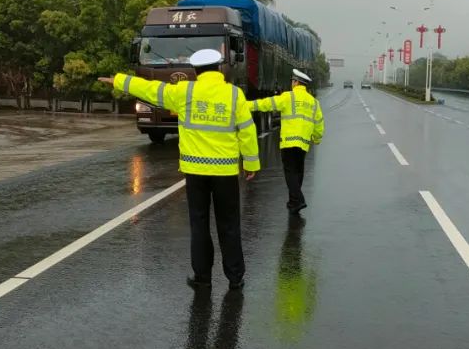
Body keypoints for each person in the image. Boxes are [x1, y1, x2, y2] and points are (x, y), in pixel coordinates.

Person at [101, 49, 260, 290]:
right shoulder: (234, 95)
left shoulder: (185, 92)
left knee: (199, 224)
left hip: (195, 172)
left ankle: (203, 278)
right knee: (229, 225)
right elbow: (247, 130)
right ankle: (235, 277)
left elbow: (151, 89)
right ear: (218, 69)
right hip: (225, 173)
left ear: (196, 71)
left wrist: (120, 80)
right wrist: (251, 163)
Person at [249, 69, 325, 214]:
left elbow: (267, 103)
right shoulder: (313, 102)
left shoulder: (287, 97)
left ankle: (298, 199)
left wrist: (246, 105)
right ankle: (293, 202)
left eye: (292, 81)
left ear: (296, 83)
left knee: (290, 172)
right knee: (298, 171)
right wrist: (317, 138)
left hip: (288, 142)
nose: (291, 84)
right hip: (303, 143)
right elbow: (319, 122)